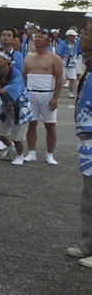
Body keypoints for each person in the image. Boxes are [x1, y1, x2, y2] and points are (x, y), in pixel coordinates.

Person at [66, 16, 92, 268]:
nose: (82, 35)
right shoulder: (89, 65)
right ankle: (89, 243)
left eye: (86, 31)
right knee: (89, 196)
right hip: (88, 142)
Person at [23, 29, 63, 165]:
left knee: (50, 125)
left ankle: (50, 154)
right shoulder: (28, 58)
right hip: (31, 92)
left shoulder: (55, 59)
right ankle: (31, 152)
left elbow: (58, 79)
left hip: (47, 93)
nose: (36, 39)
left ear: (48, 40)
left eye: (40, 37)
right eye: (35, 37)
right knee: (31, 123)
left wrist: (55, 97)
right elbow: (23, 77)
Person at [0, 51, 32, 164]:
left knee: (16, 137)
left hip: (19, 107)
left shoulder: (16, 73)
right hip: (6, 106)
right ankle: (10, 147)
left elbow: (14, 87)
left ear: (7, 61)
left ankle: (20, 156)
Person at [58, 28, 82, 100]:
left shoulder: (76, 43)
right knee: (59, 77)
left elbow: (80, 50)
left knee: (72, 78)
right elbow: (59, 52)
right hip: (64, 62)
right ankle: (56, 91)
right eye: (73, 36)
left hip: (72, 63)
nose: (74, 37)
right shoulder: (62, 43)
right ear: (69, 36)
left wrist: (77, 55)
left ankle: (70, 92)